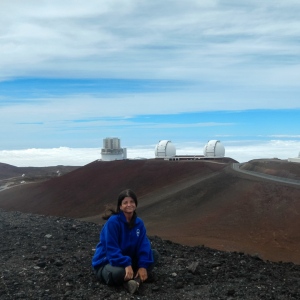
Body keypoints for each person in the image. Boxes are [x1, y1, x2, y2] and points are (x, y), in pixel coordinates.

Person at [92, 189, 159, 294]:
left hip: (126, 260)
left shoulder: (139, 223)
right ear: (120, 206)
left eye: (132, 202)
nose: (129, 204)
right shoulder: (113, 222)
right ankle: (133, 280)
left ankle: (135, 281)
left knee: (153, 254)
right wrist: (126, 264)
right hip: (107, 262)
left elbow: (143, 245)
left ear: (135, 204)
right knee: (120, 272)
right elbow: (111, 249)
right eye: (125, 202)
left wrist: (142, 266)